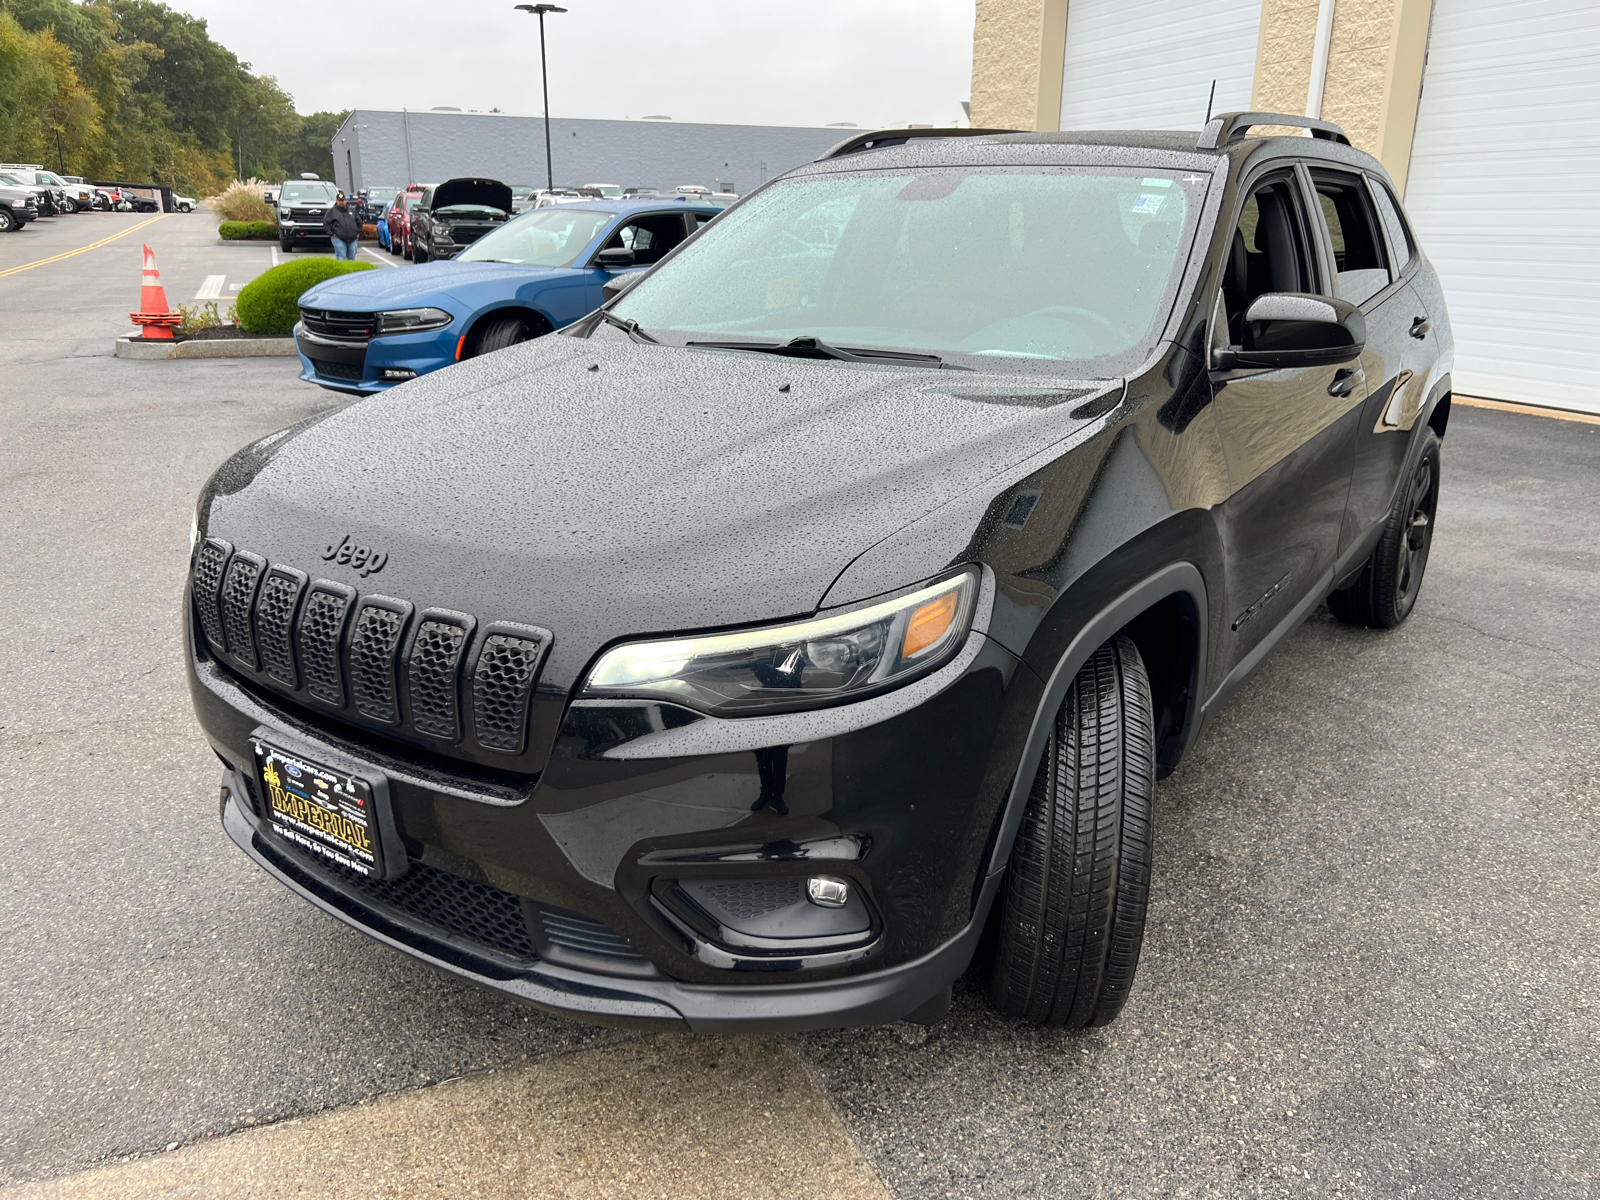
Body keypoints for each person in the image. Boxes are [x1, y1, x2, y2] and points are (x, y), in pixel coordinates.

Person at [323, 192, 362, 261]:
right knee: (341, 257)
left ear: (346, 201)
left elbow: (359, 222)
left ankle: (352, 272)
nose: (341, 202)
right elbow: (326, 223)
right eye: (339, 200)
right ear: (336, 201)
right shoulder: (331, 211)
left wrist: (358, 232)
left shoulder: (352, 211)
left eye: (343, 200)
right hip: (338, 238)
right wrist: (332, 234)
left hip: (353, 239)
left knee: (351, 258)